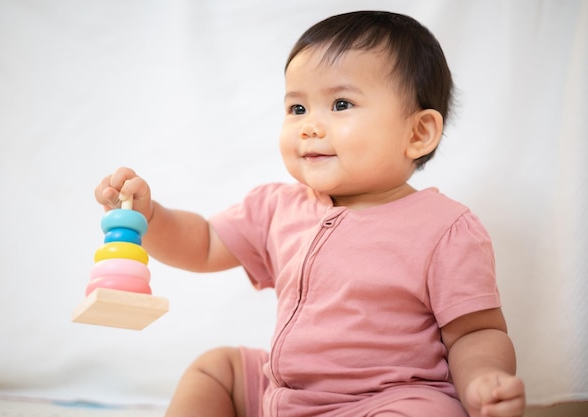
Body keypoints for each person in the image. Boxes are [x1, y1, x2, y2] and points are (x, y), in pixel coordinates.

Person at [95, 10, 526, 417]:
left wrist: (485, 380)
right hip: (284, 396)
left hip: (385, 399)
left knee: (426, 411)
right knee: (216, 368)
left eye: (340, 104)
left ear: (418, 132)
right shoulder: (277, 206)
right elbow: (204, 243)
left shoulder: (445, 228)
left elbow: (475, 332)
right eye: (297, 108)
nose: (309, 125)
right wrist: (148, 216)